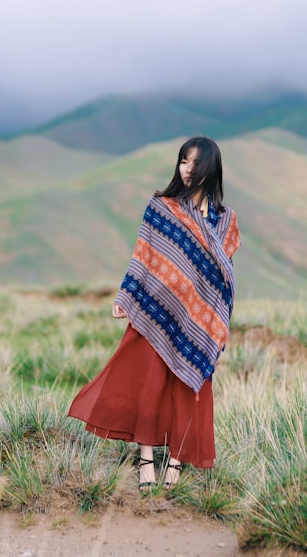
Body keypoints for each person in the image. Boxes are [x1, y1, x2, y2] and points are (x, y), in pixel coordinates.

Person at [68, 136, 240, 491]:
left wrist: (214, 319)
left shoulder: (226, 221)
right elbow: (143, 255)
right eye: (182, 162)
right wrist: (125, 296)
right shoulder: (161, 207)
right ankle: (146, 462)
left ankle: (174, 465)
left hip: (197, 323)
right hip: (155, 311)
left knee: (185, 389)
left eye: (194, 163)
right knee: (147, 386)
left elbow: (223, 276)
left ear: (211, 168)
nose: (187, 170)